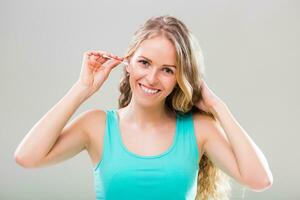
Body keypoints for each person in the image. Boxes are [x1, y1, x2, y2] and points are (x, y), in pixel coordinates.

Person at [14, 15, 273, 200]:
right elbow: (27, 157)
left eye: (168, 70)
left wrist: (218, 107)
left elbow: (260, 180)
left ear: (181, 77)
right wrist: (83, 88)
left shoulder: (199, 129)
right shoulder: (96, 125)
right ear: (128, 63)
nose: (151, 78)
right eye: (145, 63)